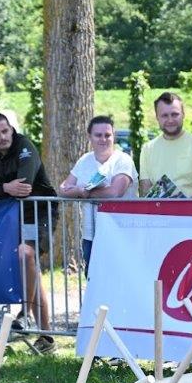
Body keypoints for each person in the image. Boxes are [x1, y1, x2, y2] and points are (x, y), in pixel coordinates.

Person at [0, 112, 57, 353]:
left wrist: (0, 188)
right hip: (12, 213)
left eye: (5, 131)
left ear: (11, 129)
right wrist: (4, 187)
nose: (2, 137)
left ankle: (25, 313)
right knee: (29, 267)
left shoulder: (25, 146)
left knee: (26, 255)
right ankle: (47, 337)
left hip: (40, 211)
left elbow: (24, 186)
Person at [59, 115, 137, 275]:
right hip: (91, 234)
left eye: (107, 135)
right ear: (89, 137)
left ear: (114, 136)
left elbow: (115, 192)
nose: (103, 139)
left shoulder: (123, 160)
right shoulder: (84, 160)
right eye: (98, 135)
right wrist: (80, 191)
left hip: (121, 232)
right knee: (92, 278)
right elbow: (64, 188)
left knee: (120, 277)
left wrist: (85, 193)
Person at [138, 92, 192, 198]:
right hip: (158, 209)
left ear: (183, 114)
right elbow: (145, 190)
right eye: (165, 115)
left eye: (175, 114)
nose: (170, 120)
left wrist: (181, 208)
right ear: (157, 118)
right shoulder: (147, 149)